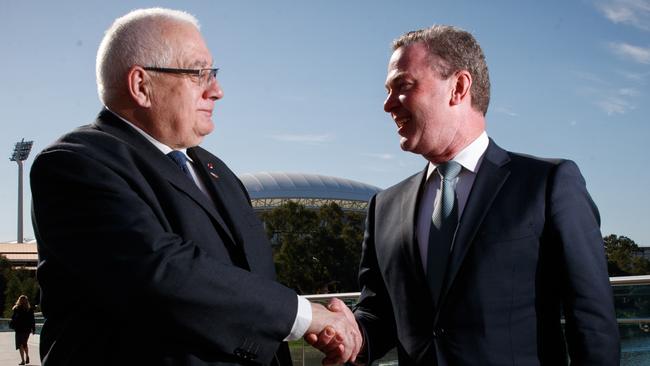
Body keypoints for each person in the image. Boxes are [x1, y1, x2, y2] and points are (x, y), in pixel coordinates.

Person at [30, 8, 360, 366]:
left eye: (213, 73)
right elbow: (160, 273)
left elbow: (248, 283)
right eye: (198, 73)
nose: (216, 90)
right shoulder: (74, 164)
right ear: (141, 85)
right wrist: (303, 315)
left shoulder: (216, 171)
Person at [309, 25, 620, 365]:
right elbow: (380, 315)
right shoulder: (383, 206)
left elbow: (592, 323)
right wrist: (351, 337)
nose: (387, 105)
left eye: (403, 86)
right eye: (387, 90)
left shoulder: (547, 185)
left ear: (458, 87)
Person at [10, 295, 36, 365]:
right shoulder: (16, 308)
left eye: (24, 300)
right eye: (21, 300)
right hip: (18, 329)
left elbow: (32, 320)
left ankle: (27, 356)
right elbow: (13, 318)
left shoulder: (29, 309)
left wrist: (33, 329)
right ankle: (23, 360)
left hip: (26, 329)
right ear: (19, 300)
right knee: (20, 344)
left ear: (26, 300)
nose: (22, 301)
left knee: (24, 344)